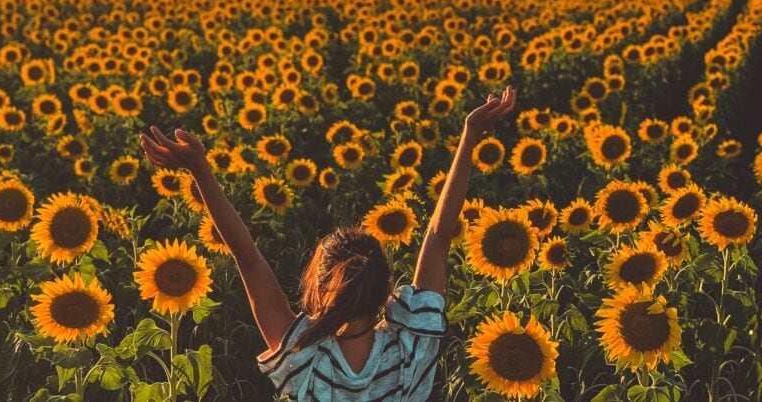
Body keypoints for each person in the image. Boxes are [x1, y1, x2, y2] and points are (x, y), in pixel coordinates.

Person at [139, 86, 517, 401]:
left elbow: (248, 259)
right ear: (385, 291)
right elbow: (437, 237)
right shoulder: (409, 353)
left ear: (319, 291)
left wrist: (200, 171)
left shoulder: (305, 360)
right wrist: (469, 136)